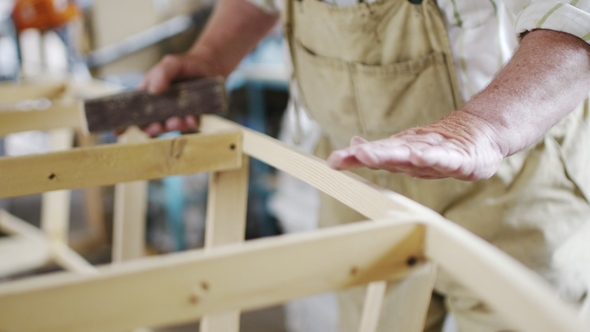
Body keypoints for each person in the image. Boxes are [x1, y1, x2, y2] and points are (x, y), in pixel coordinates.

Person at [140, 0, 590, 330]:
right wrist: (210, 58)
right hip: (358, 186)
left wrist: (483, 128)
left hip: (509, 187)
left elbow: (575, 18)